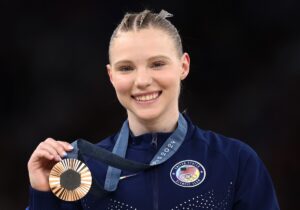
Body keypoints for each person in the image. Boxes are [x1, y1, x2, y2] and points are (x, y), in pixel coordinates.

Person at [27, 9, 280, 210]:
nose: (142, 81)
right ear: (111, 75)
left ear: (183, 66)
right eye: (126, 68)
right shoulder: (81, 168)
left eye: (157, 64)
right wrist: (42, 195)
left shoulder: (235, 161)